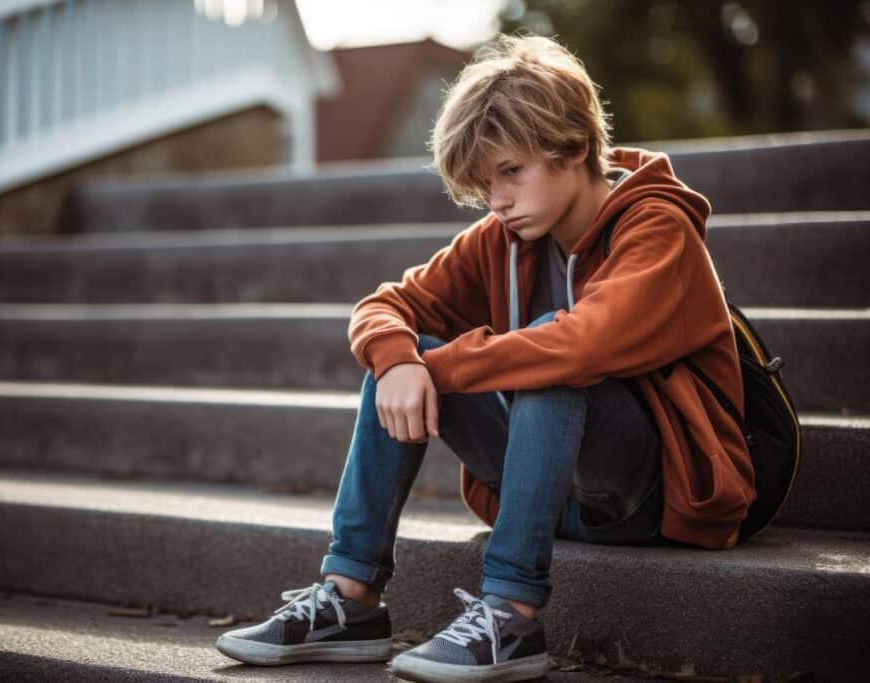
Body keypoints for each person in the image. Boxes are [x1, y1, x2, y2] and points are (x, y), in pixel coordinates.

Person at [215, 32, 756, 683]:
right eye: (484, 182)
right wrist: (399, 360)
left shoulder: (657, 228)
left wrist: (430, 368)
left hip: (657, 490)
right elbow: (384, 306)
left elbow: (584, 344)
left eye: (511, 171)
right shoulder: (502, 237)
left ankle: (511, 613)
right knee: (402, 350)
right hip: (555, 489)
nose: (496, 199)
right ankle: (350, 597)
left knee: (550, 356)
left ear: (575, 147)